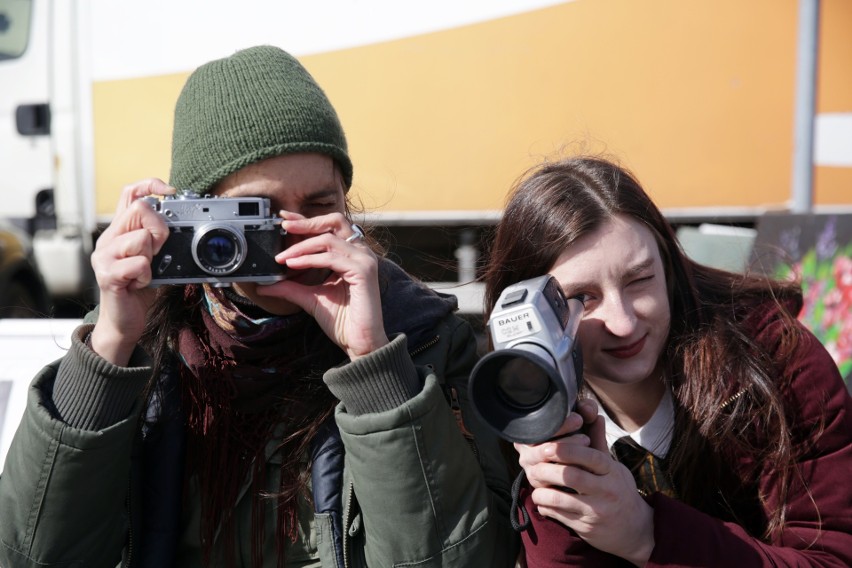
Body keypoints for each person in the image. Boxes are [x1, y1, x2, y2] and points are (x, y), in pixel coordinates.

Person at [0, 45, 517, 567]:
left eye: (318, 207)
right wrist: (110, 348)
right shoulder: (137, 344)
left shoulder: (420, 339)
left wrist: (374, 366)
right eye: (255, 217)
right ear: (192, 217)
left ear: (347, 203)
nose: (286, 239)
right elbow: (30, 557)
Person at [482, 156, 852, 566]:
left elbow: (833, 558)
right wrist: (563, 505)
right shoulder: (512, 392)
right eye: (583, 299)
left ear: (669, 266)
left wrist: (648, 534)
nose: (623, 323)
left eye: (640, 280)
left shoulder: (774, 360)